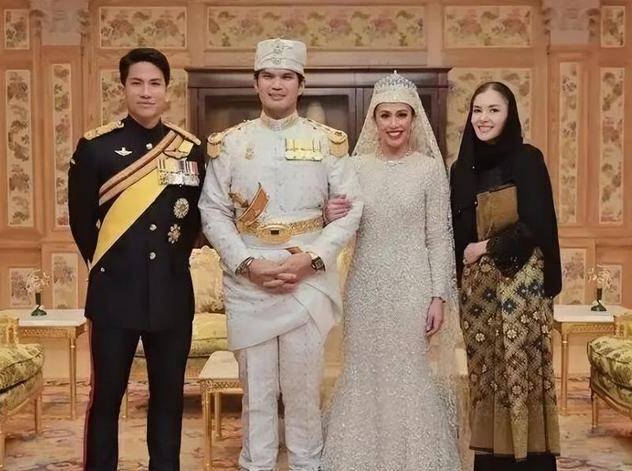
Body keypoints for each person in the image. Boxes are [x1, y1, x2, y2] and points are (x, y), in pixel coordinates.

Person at [198, 38, 362, 471]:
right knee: (256, 392)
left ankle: (308, 464)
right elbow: (212, 211)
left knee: (303, 391)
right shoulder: (230, 144)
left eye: (286, 76)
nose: (276, 84)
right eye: (268, 76)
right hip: (248, 280)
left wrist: (310, 259)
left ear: (301, 84)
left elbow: (351, 209)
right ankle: (257, 464)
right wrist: (249, 264)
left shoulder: (327, 142)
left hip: (306, 277)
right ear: (255, 83)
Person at [68, 47, 205, 470]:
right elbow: (81, 223)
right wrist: (117, 269)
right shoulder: (95, 147)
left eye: (155, 83)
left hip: (171, 293)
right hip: (115, 294)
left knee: (168, 399)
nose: (146, 92)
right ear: (123, 88)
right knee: (106, 398)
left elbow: (196, 219)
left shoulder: (189, 150)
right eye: (137, 83)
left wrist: (166, 265)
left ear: (167, 90)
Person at [321, 72, 463, 470]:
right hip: (364, 284)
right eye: (386, 115)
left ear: (414, 118)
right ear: (374, 120)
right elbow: (341, 227)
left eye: (402, 114)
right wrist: (329, 214)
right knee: (362, 370)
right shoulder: (354, 167)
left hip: (412, 286)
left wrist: (438, 295)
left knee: (408, 370)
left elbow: (439, 237)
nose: (394, 123)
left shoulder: (429, 170)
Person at [450, 81, 562, 471]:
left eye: (494, 110)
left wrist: (485, 247)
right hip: (478, 298)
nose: (483, 118)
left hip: (521, 288)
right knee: (486, 381)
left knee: (520, 378)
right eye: (477, 110)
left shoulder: (527, 160)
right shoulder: (461, 169)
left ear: (509, 114)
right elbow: (455, 234)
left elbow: (536, 225)